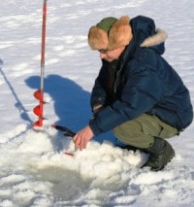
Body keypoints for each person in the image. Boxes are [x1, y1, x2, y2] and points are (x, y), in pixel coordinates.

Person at [73, 15, 193, 171]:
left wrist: (93, 128)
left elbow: (131, 105)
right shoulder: (116, 58)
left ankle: (161, 150)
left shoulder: (144, 64)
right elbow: (102, 83)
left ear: (120, 42)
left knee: (122, 127)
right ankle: (137, 139)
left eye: (104, 50)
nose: (101, 55)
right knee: (114, 116)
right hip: (148, 107)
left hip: (171, 115)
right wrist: (99, 105)